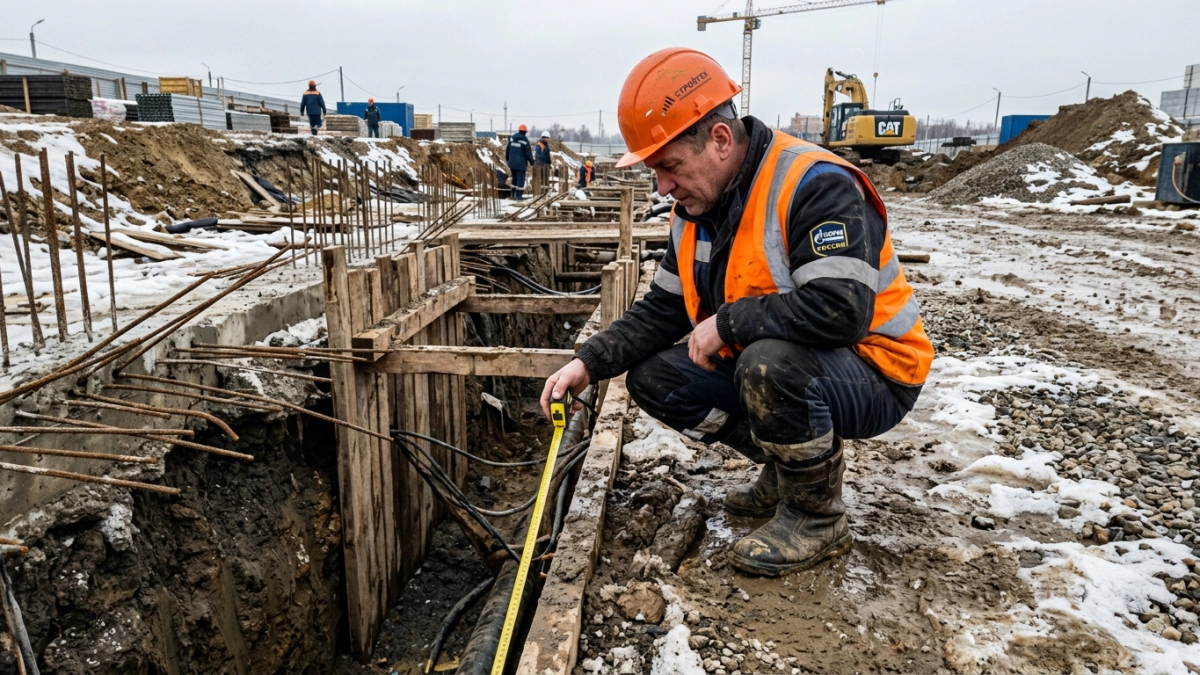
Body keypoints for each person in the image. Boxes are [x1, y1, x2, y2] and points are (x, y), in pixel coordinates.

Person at [540, 48, 932, 577]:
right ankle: (788, 469)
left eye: (670, 166)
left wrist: (727, 322)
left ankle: (817, 516)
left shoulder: (814, 184)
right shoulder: (695, 210)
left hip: (877, 373)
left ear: (720, 140)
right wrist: (588, 362)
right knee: (656, 377)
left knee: (768, 363)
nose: (663, 187)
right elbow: (664, 309)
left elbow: (841, 311)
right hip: (791, 366)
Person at [506, 124, 535, 200]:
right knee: (520, 179)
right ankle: (518, 196)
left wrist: (508, 159)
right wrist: (532, 162)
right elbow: (528, 153)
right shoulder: (525, 140)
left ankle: (513, 194)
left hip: (512, 163)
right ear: (525, 132)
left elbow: (507, 150)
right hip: (520, 164)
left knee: (514, 178)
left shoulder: (512, 138)